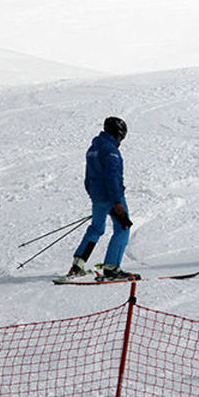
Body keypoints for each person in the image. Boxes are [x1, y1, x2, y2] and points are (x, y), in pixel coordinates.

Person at [67, 116, 139, 280]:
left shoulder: (93, 148)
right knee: (123, 228)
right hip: (111, 197)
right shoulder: (111, 150)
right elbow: (112, 176)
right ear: (118, 133)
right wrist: (116, 202)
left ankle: (77, 265)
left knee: (96, 228)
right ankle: (112, 268)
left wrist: (95, 197)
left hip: (97, 197)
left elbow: (88, 176)